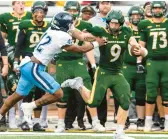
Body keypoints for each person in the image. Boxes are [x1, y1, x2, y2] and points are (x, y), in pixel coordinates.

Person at [0, 12, 106, 136]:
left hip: (28, 65)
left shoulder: (52, 29)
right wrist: (97, 43)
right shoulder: (62, 36)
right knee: (58, 94)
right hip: (35, 68)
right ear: (65, 26)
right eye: (70, 24)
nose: (72, 26)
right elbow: (81, 49)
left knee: (17, 96)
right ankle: (30, 106)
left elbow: (81, 36)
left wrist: (96, 38)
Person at [61, 9, 148, 139]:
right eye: (111, 23)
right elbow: (84, 36)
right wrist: (73, 30)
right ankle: (78, 85)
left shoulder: (126, 32)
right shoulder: (100, 31)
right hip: (103, 72)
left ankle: (119, 132)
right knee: (92, 102)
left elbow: (134, 44)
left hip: (118, 73)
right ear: (107, 23)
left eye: (116, 24)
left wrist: (139, 50)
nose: (113, 26)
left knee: (125, 100)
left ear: (121, 24)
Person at [55, 1, 104, 132]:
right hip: (62, 62)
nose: (71, 13)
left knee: (87, 91)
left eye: (74, 11)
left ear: (78, 12)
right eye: (69, 11)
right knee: (62, 93)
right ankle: (60, 124)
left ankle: (95, 122)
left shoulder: (85, 25)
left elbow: (89, 46)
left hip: (77, 61)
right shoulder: (57, 25)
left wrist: (93, 64)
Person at [138, 1, 168, 132]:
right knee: (151, 92)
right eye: (155, 8)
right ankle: (147, 122)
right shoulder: (144, 24)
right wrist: (139, 60)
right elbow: (141, 44)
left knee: (166, 92)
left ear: (164, 9)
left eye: (159, 8)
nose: (157, 10)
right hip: (152, 61)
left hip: (167, 62)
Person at [13, 1, 49, 131]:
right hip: (28, 61)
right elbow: (19, 45)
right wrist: (16, 61)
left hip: (42, 62)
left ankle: (37, 122)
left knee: (40, 92)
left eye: (42, 12)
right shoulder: (25, 25)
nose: (39, 14)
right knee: (27, 91)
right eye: (37, 12)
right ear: (33, 13)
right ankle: (26, 120)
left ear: (45, 13)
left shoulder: (49, 26)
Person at [0, 1, 32, 128]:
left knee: (27, 86)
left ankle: (24, 118)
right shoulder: (5, 17)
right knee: (11, 85)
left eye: (23, 2)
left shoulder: (30, 15)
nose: (21, 5)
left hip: (26, 52)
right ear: (13, 5)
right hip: (12, 52)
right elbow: (2, 37)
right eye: (18, 2)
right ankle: (11, 117)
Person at [123, 5, 146, 130]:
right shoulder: (126, 30)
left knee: (141, 94)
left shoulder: (145, 29)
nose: (136, 18)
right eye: (133, 16)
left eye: (138, 16)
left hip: (142, 65)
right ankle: (124, 118)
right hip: (127, 65)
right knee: (124, 93)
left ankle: (141, 120)